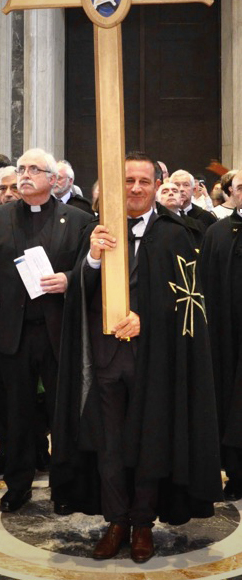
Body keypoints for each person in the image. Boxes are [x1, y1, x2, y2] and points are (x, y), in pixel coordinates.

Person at [51, 150, 222, 564]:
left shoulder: (175, 233)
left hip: (154, 359)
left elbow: (190, 303)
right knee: (109, 445)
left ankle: (143, 523)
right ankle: (116, 521)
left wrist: (148, 320)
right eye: (128, 181)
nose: (136, 188)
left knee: (150, 443)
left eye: (144, 181)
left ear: (156, 185)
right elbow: (77, 288)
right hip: (105, 360)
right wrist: (92, 257)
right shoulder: (95, 229)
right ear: (116, 184)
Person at [0, 148, 92, 513]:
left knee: (63, 414)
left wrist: (69, 279)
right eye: (21, 169)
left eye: (33, 170)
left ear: (52, 179)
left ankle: (65, 489)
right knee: (16, 414)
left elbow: (92, 271)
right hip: (11, 332)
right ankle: (18, 485)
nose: (25, 175)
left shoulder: (77, 220)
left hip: (59, 333)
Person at [199, 169, 242, 501]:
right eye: (241, 187)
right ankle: (237, 472)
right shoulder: (216, 233)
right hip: (226, 337)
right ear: (231, 193)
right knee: (230, 402)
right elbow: (204, 286)